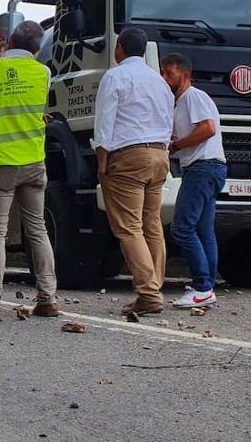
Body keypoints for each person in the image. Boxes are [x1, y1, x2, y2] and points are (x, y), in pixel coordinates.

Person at [0, 21, 60, 322]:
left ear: (7, 41)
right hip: (33, 161)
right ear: (37, 48)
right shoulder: (43, 73)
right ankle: (48, 299)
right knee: (38, 229)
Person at [94, 28, 174, 315]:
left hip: (128, 156)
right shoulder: (160, 81)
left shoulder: (114, 76)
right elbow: (168, 119)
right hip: (159, 154)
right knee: (152, 223)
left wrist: (102, 159)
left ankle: (149, 293)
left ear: (119, 49)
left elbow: (105, 122)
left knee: (129, 227)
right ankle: (154, 287)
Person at [160, 52, 227, 308]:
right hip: (211, 168)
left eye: (170, 74)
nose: (165, 79)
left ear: (185, 76)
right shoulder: (181, 103)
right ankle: (207, 286)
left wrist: (177, 146)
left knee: (182, 227)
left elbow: (208, 128)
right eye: (163, 73)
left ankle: (202, 287)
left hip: (202, 167)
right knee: (203, 229)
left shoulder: (192, 97)